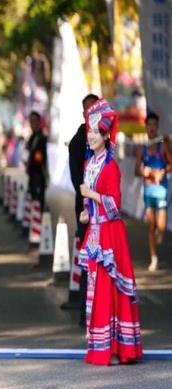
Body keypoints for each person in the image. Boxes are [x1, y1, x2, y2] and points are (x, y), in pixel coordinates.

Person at [79, 99, 142, 366]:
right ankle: (102, 347)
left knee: (109, 290)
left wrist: (92, 195)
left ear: (106, 136)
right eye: (90, 131)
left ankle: (116, 349)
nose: (92, 136)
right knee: (96, 292)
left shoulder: (111, 166)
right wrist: (86, 213)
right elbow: (90, 205)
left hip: (110, 236)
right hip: (95, 234)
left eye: (97, 132)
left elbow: (115, 206)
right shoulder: (89, 164)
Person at [63, 94, 99, 324]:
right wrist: (90, 198)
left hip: (105, 211)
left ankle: (104, 312)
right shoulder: (79, 140)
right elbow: (78, 179)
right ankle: (87, 312)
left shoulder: (106, 138)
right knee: (89, 257)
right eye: (88, 110)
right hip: (88, 208)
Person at [134, 112, 172, 272]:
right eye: (149, 125)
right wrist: (144, 171)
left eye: (154, 125)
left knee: (161, 228)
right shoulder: (141, 148)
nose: (151, 128)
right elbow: (136, 170)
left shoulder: (162, 144)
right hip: (148, 191)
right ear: (146, 127)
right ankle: (153, 258)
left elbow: (171, 164)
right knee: (151, 226)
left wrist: (163, 171)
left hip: (161, 189)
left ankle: (159, 234)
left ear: (157, 127)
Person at [25, 111, 48, 211]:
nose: (32, 123)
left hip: (39, 174)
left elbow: (39, 159)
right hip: (31, 174)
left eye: (34, 121)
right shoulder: (31, 137)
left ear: (39, 122)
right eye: (30, 121)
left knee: (38, 202)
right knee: (33, 200)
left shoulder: (42, 138)